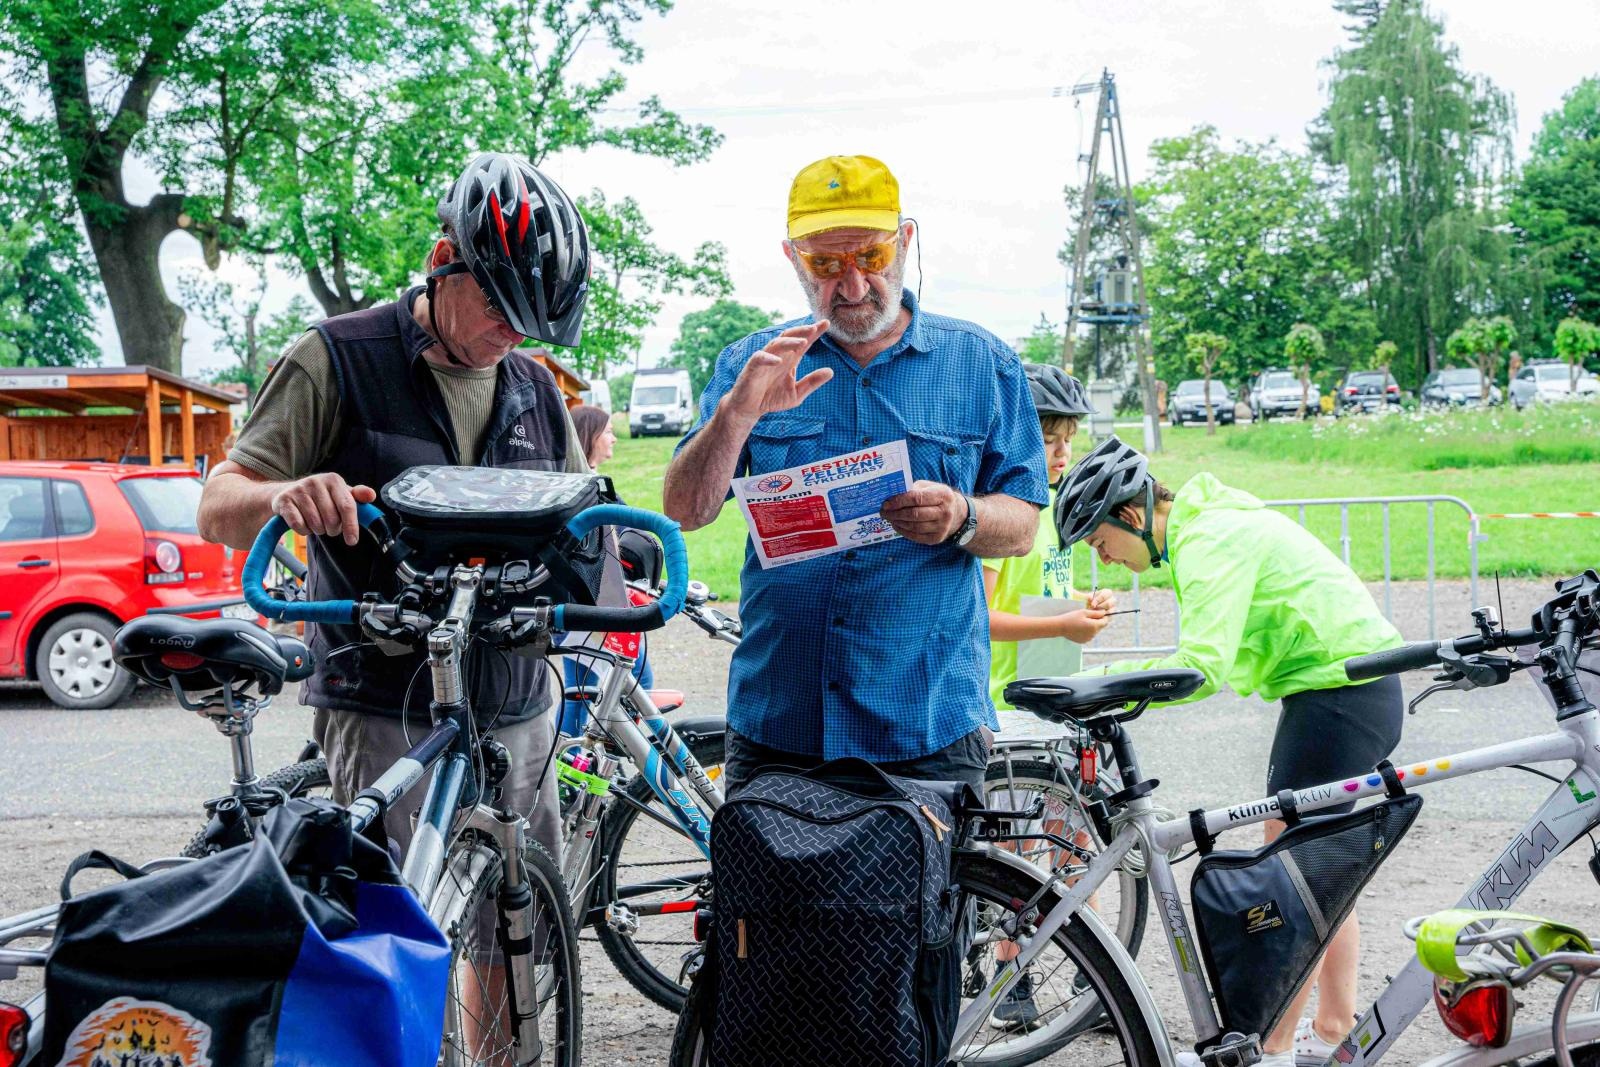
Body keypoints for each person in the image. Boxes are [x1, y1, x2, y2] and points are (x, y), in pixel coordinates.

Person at [196, 151, 594, 862]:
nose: (515, 335)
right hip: (385, 703)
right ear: (445, 259)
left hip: (519, 700)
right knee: (401, 932)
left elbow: (577, 523)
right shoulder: (337, 357)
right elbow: (218, 507)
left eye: (534, 323)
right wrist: (282, 497)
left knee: (516, 930)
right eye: (501, 307)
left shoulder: (534, 388)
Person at [661, 154, 1049, 795]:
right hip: (783, 720)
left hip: (927, 724)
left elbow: (1024, 525)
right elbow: (684, 511)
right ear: (791, 258)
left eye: (870, 257)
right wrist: (737, 412)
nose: (852, 286)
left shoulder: (981, 363)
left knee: (934, 897)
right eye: (824, 264)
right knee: (770, 899)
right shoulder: (751, 364)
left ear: (906, 241)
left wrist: (962, 515)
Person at [1053, 436, 1406, 1067]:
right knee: (1319, 869)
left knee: (1296, 869)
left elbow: (1201, 666)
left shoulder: (1207, 538)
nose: (1104, 559)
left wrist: (1097, 690)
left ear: (1132, 516)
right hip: (1344, 689)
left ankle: (1274, 1049)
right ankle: (1332, 1029)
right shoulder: (1207, 524)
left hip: (1340, 692)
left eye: (1101, 543)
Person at [983, 363, 1114, 711]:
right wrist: (1060, 626)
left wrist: (1083, 602)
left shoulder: (1054, 504)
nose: (1063, 452)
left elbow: (1039, 588)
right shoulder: (1002, 514)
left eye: (1068, 440)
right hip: (1006, 698)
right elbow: (979, 618)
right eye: (1047, 440)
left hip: (1052, 683)